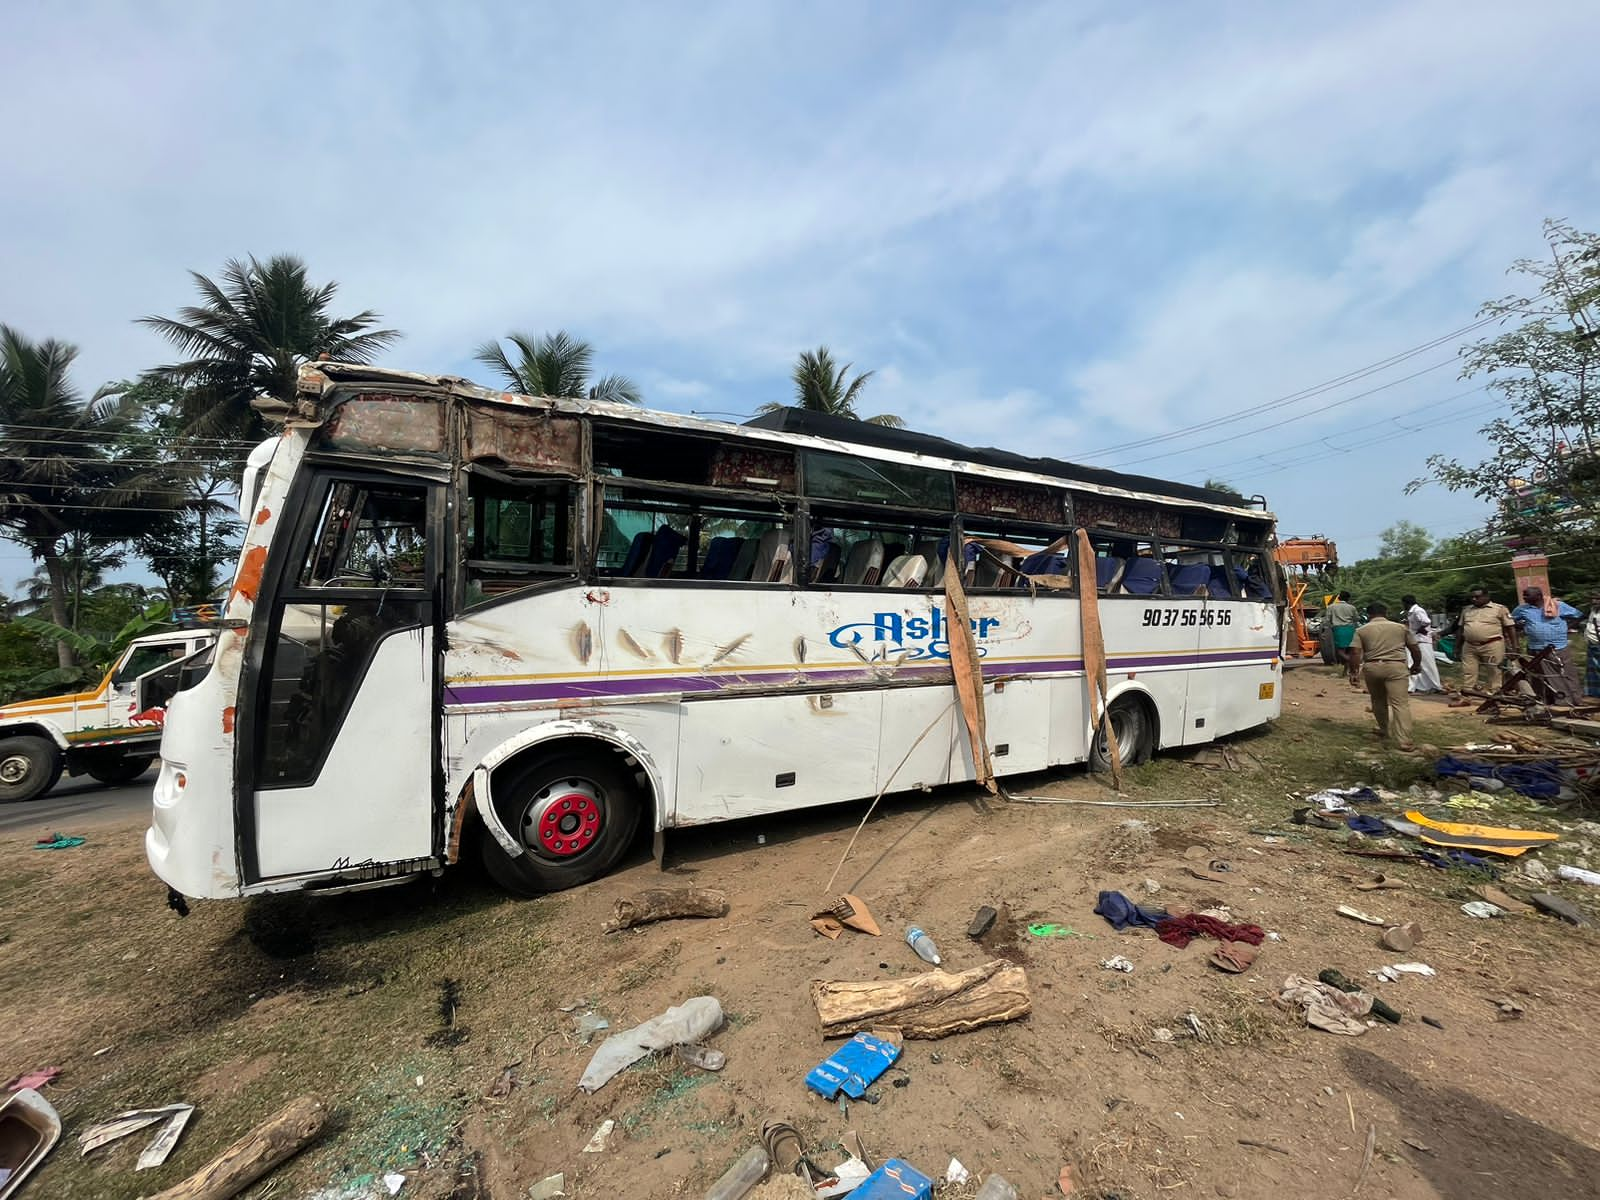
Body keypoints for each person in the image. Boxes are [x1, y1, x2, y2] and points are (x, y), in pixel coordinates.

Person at [1347, 601, 1423, 750]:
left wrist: (1354, 672)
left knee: (1378, 700)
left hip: (1373, 667)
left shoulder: (1362, 630)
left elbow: (1355, 653)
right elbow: (1414, 648)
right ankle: (1404, 741)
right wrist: (1416, 664)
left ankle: (1384, 730)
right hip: (1396, 667)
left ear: (1369, 614)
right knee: (1400, 704)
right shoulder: (1400, 628)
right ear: (1385, 613)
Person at [1510, 585, 1583, 704]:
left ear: (1538, 596)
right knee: (1538, 676)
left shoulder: (1557, 605)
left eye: (1527, 595)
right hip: (1535, 647)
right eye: (1524, 595)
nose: (1524, 597)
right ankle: (1543, 700)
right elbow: (1512, 622)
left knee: (1565, 673)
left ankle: (1571, 700)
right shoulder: (1522, 609)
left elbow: (1579, 615)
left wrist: (1566, 627)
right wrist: (1527, 627)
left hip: (1558, 646)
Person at [1451, 586, 1516, 704]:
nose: (1474, 599)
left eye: (1477, 597)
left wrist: (1515, 646)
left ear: (1486, 596)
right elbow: (1460, 629)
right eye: (1472, 597)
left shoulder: (1499, 609)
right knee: (1468, 671)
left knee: (1494, 671)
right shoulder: (1466, 610)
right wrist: (1457, 646)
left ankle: (1494, 698)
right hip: (1469, 645)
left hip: (1492, 644)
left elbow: (1510, 627)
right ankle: (1466, 696)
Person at [1402, 593, 1442, 694]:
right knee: (1414, 662)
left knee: (1427, 663)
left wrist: (1419, 630)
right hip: (1415, 640)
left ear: (1407, 603)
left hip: (1422, 640)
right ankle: (1417, 686)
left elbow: (1426, 621)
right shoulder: (1412, 612)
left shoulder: (1417, 610)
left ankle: (1435, 685)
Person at [1325, 591, 1360, 686]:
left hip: (1338, 629)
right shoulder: (1352, 607)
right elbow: (1356, 618)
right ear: (1348, 599)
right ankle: (1348, 672)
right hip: (1350, 629)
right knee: (1350, 650)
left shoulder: (1331, 607)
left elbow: (1327, 620)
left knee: (1340, 651)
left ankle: (1351, 661)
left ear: (1339, 597)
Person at [1585, 590, 1600, 699]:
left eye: (1597, 599)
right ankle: (1595, 693)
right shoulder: (1593, 610)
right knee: (1593, 670)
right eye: (1593, 598)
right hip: (1592, 643)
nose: (1594, 601)